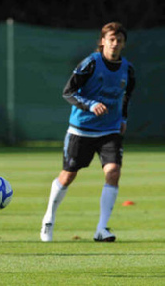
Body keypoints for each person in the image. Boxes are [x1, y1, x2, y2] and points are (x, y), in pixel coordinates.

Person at [40, 22, 136, 243]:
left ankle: (102, 229)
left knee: (113, 172)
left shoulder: (127, 69)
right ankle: (49, 218)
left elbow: (127, 95)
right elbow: (68, 92)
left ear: (123, 44)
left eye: (119, 40)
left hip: (110, 130)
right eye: (111, 39)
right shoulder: (90, 64)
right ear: (102, 41)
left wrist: (123, 118)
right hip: (81, 130)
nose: (115, 44)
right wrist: (90, 105)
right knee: (67, 176)